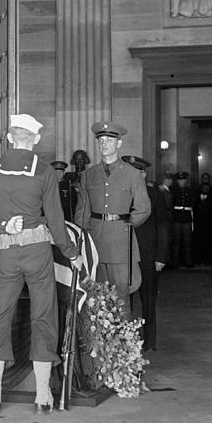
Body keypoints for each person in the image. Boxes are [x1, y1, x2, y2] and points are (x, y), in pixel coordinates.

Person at [0, 113, 83, 415]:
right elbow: (57, 222)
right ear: (36, 139)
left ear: (8, 137)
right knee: (43, 315)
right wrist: (71, 253)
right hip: (37, 253)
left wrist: (2, 225)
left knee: (0, 316)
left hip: (6, 252)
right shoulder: (43, 171)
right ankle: (42, 394)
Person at [75, 122, 151, 320]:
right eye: (101, 140)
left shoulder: (132, 174)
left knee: (121, 298)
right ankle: (99, 347)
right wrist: (85, 237)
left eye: (109, 140)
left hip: (121, 245)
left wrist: (124, 225)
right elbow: (82, 211)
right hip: (95, 244)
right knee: (96, 297)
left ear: (119, 144)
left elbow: (143, 208)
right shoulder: (89, 175)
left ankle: (123, 347)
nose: (104, 144)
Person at [122, 155, 169, 351]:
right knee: (125, 300)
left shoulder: (154, 195)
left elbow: (163, 226)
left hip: (148, 256)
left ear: (143, 174)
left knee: (148, 299)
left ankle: (149, 341)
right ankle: (127, 341)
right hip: (125, 254)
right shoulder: (121, 193)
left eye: (137, 172)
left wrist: (161, 256)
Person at [171, 171, 195, 267]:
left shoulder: (190, 191)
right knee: (176, 241)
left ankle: (188, 261)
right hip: (176, 218)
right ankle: (175, 261)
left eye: (184, 179)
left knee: (187, 241)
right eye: (180, 180)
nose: (182, 181)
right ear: (177, 181)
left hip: (187, 218)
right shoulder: (173, 190)